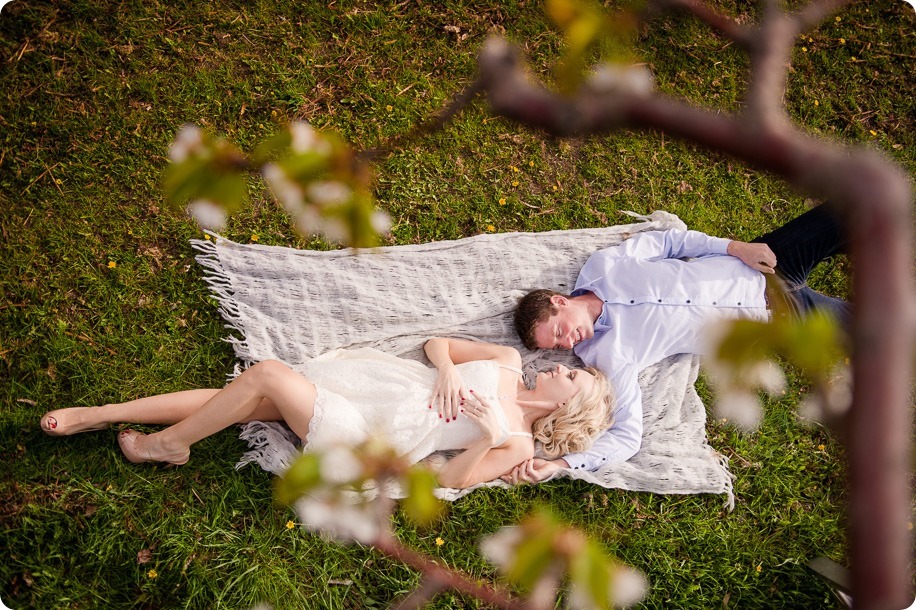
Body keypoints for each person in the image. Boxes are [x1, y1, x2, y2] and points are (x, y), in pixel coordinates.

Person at [509, 203, 849, 484]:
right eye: (556, 348)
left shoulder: (604, 266)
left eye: (558, 333)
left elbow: (671, 243)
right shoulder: (606, 355)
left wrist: (735, 247)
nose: (567, 345)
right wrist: (565, 465)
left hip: (762, 264)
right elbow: (627, 436)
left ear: (559, 301)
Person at [40, 337, 613, 490]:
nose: (560, 368)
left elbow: (448, 479)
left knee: (265, 376)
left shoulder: (515, 440)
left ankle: (165, 445)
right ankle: (102, 413)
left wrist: (485, 437)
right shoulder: (509, 361)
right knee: (250, 402)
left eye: (571, 376)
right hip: (374, 382)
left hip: (372, 431)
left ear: (570, 403)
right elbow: (439, 344)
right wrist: (446, 371)